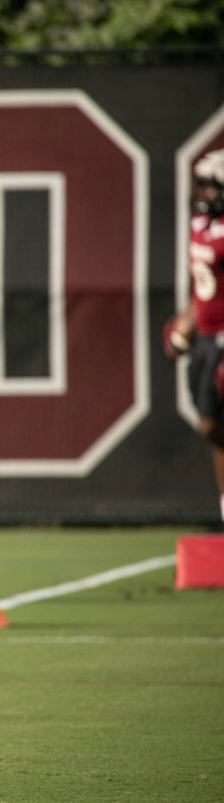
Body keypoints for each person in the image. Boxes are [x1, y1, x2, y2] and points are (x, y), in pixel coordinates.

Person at [166, 148, 224, 528]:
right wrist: (186, 320)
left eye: (211, 184)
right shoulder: (200, 224)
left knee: (215, 421)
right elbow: (203, 285)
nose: (203, 191)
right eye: (201, 184)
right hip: (203, 336)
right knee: (212, 427)